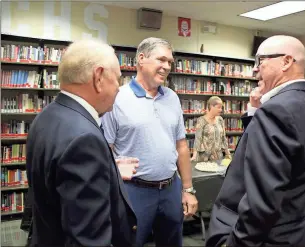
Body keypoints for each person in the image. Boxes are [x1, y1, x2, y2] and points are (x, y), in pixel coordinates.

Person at [206, 35, 305, 247]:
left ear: (286, 62)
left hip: (267, 238)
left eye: (261, 60)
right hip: (296, 232)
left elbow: (262, 200)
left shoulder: (276, 110)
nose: (255, 69)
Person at [26, 39, 137, 247]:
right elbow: (88, 239)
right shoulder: (84, 139)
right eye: (117, 79)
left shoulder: (48, 115)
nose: (119, 89)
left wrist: (108, 170)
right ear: (98, 78)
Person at [101, 37, 198, 247]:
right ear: (141, 59)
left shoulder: (172, 97)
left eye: (170, 62)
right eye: (161, 59)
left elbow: (181, 146)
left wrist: (188, 190)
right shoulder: (118, 98)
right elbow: (105, 149)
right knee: (128, 242)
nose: (166, 67)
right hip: (133, 191)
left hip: (171, 188)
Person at [191, 96, 231, 162]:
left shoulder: (220, 119)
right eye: (219, 107)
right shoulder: (201, 120)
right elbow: (198, 139)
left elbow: (223, 138)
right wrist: (194, 156)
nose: (221, 110)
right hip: (204, 158)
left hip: (218, 157)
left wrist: (228, 154)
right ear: (212, 106)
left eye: (221, 108)